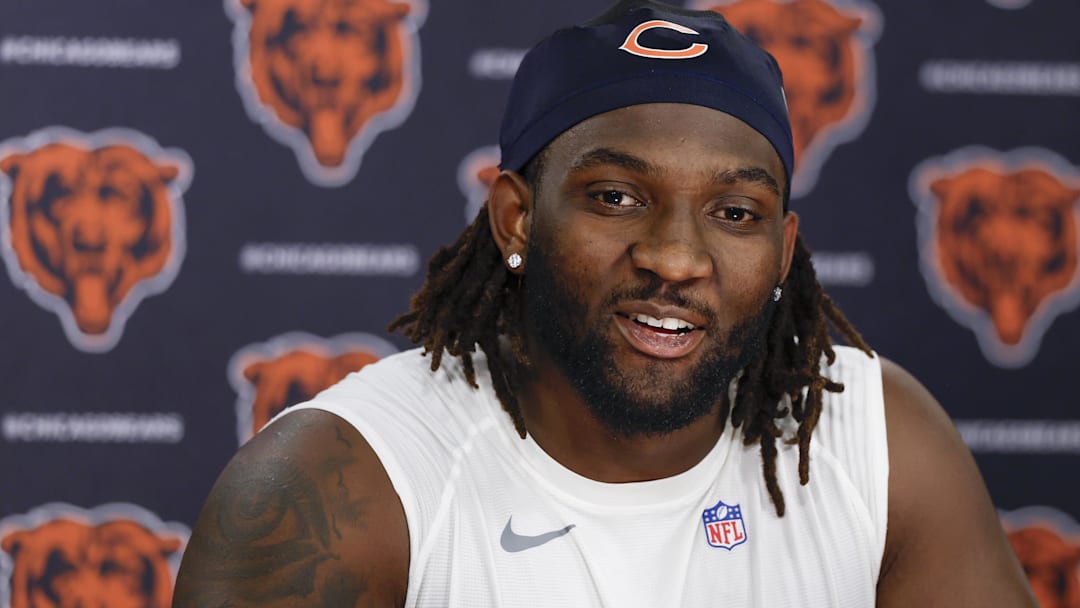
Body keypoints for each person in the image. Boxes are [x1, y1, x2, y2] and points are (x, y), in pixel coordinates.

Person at [173, 1, 1037, 606]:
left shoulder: (872, 441)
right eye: (617, 197)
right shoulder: (346, 483)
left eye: (734, 213)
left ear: (780, 252)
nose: (674, 257)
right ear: (517, 218)